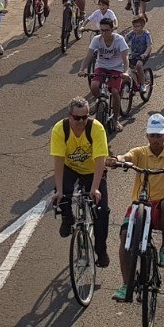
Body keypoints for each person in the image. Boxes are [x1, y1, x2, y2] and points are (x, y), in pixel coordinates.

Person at [107, 114, 164, 301]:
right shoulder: (140, 152)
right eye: (152, 135)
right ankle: (126, 284)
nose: (155, 139)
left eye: (159, 135)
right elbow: (127, 156)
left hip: (161, 209)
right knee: (124, 237)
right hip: (140, 204)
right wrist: (118, 160)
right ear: (147, 136)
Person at [51, 96, 112, 262]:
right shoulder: (60, 129)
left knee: (102, 211)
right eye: (77, 118)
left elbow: (100, 160)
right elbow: (58, 161)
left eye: (85, 117)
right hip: (71, 167)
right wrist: (60, 191)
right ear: (69, 116)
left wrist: (95, 188)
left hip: (93, 169)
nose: (81, 121)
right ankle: (67, 217)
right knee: (61, 193)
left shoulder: (96, 129)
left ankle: (101, 250)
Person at [81, 17, 129, 131]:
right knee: (94, 86)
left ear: (112, 30)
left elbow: (125, 58)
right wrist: (82, 69)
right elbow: (88, 56)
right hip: (101, 67)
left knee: (115, 92)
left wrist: (126, 72)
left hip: (116, 68)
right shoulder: (97, 39)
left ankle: (115, 119)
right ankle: (99, 102)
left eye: (106, 30)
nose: (103, 33)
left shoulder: (119, 40)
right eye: (101, 30)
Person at [124, 15, 152, 94]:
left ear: (143, 25)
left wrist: (145, 54)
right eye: (134, 26)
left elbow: (149, 46)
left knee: (139, 66)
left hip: (142, 55)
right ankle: (131, 84)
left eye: (138, 26)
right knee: (126, 68)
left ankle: (143, 84)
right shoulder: (132, 33)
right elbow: (124, 40)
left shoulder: (146, 34)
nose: (135, 28)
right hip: (133, 54)